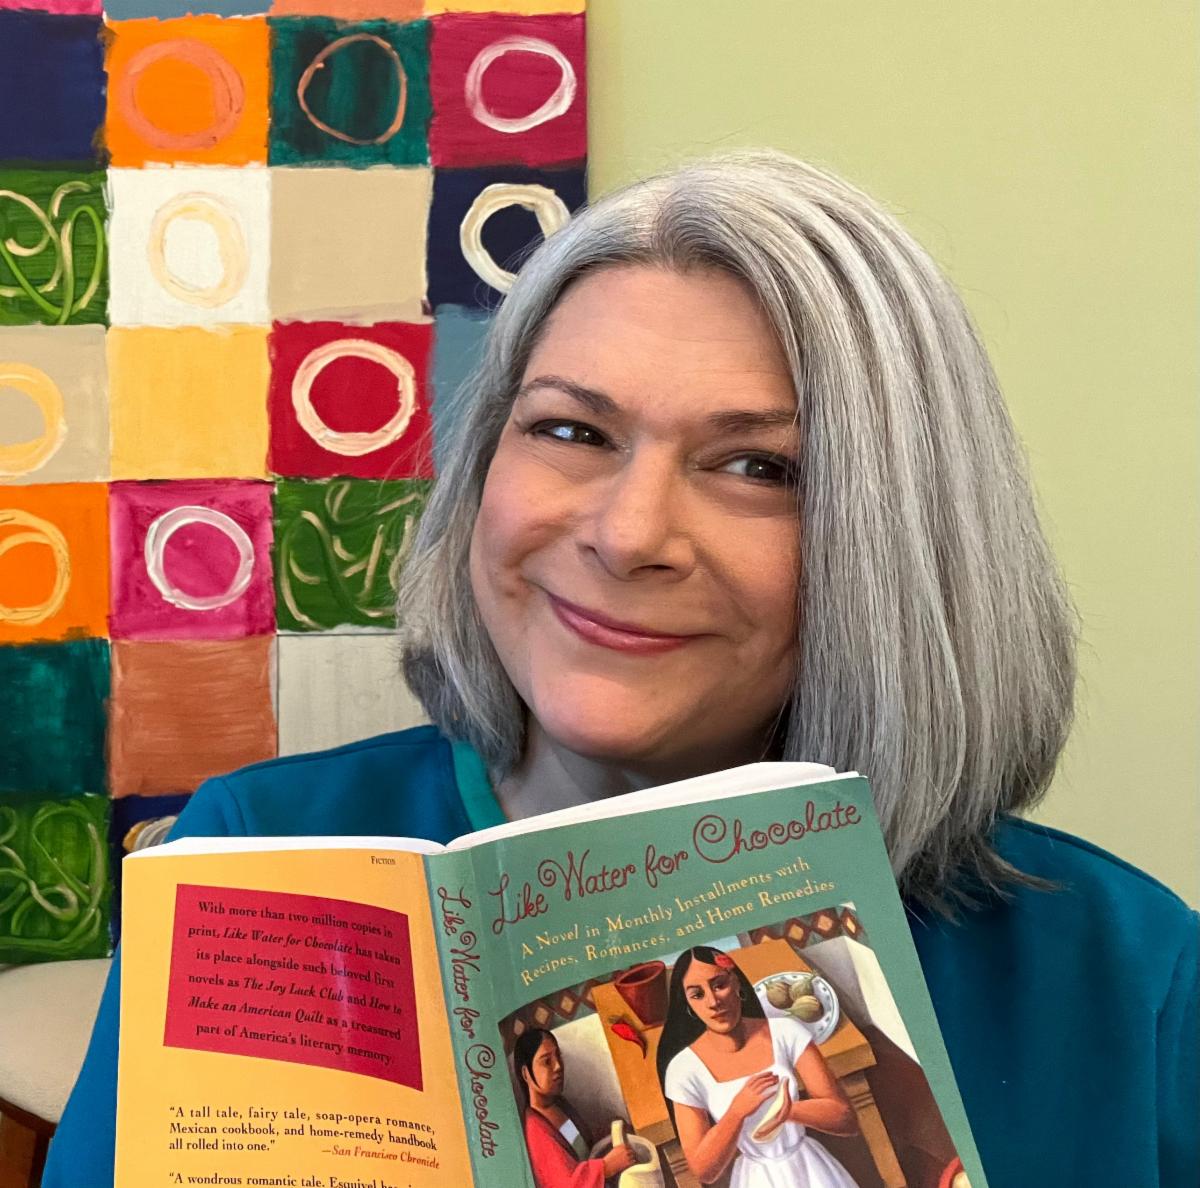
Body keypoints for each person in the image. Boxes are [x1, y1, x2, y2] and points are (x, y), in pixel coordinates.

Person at [44, 151, 1197, 1187]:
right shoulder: (255, 848)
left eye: (758, 466)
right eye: (572, 431)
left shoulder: (1132, 978)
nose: (628, 533)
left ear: (899, 541)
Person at [658, 946, 859, 1187]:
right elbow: (704, 1171)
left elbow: (846, 1119)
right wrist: (737, 1112)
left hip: (811, 1170)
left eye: (719, 985)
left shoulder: (785, 1031)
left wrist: (787, 1111)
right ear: (687, 1004)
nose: (713, 1002)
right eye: (697, 995)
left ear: (737, 983)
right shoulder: (683, 1069)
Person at [514, 1028, 637, 1187]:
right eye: (547, 1061)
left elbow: (581, 1148)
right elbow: (567, 1184)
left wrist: (611, 1132)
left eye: (558, 1056)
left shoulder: (558, 1104)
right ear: (526, 1074)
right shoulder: (536, 1130)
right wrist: (606, 1167)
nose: (558, 1066)